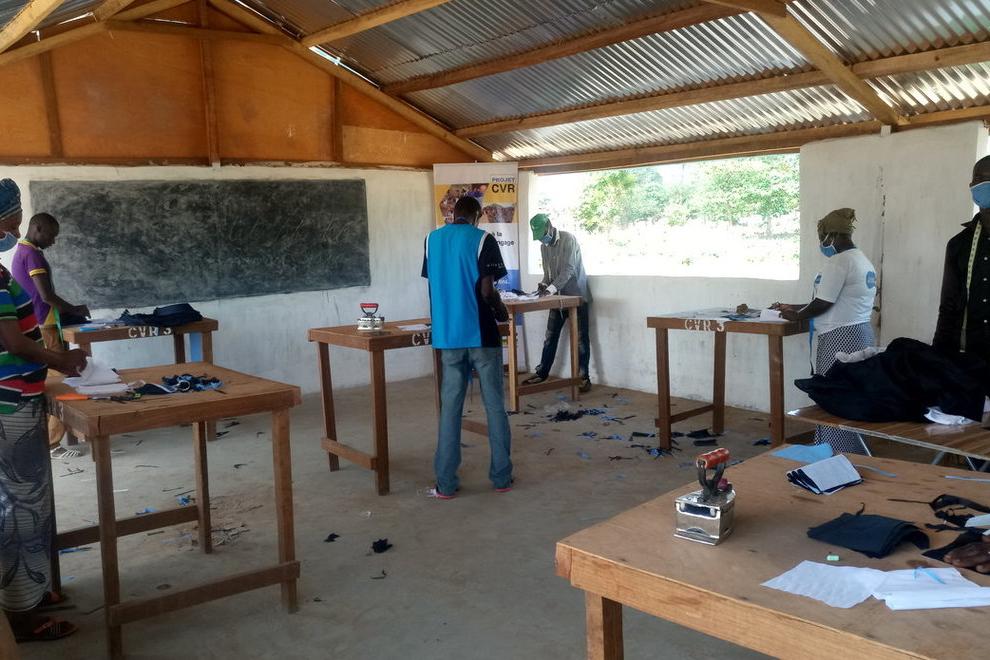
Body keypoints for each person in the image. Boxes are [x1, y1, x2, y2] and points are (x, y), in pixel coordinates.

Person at [0, 179, 88, 642]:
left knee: (28, 502)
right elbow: (13, 342)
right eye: (10, 223)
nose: (14, 232)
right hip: (9, 405)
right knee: (19, 509)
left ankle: (31, 592)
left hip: (16, 398)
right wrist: (61, 360)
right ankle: (21, 618)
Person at [422, 196, 513, 499]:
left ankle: (446, 483)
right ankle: (501, 477)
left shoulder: (431, 240)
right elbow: (487, 290)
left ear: (453, 214)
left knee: (450, 409)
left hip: (447, 336)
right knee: (494, 405)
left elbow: (436, 282)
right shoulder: (483, 239)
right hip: (481, 334)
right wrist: (501, 311)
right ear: (476, 216)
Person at [776, 208, 877, 454]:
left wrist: (796, 316)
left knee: (833, 395)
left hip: (839, 337)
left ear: (832, 235)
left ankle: (833, 449)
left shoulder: (839, 262)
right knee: (853, 394)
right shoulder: (861, 259)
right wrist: (793, 307)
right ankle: (853, 449)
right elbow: (832, 300)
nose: (821, 242)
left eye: (822, 237)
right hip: (860, 334)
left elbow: (823, 303)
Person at [11, 213, 90, 459]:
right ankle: (53, 442)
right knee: (59, 380)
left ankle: (64, 434)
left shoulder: (23, 251)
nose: (53, 241)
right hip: (43, 324)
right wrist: (74, 309)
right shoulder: (31, 254)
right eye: (51, 236)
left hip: (40, 322)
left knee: (56, 378)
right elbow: (46, 296)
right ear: (37, 228)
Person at [524, 213, 592, 393]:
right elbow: (548, 274)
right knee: (550, 336)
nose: (542, 240)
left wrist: (550, 289)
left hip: (577, 297)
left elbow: (568, 269)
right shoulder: (544, 247)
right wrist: (543, 284)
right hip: (557, 298)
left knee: (581, 340)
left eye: (542, 235)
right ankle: (542, 372)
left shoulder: (568, 239)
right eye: (539, 237)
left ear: (549, 226)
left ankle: (583, 378)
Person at [933, 155, 990, 363]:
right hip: (968, 354)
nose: (984, 184)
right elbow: (948, 306)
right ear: (971, 185)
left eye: (989, 178)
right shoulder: (958, 244)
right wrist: (937, 355)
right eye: (978, 178)